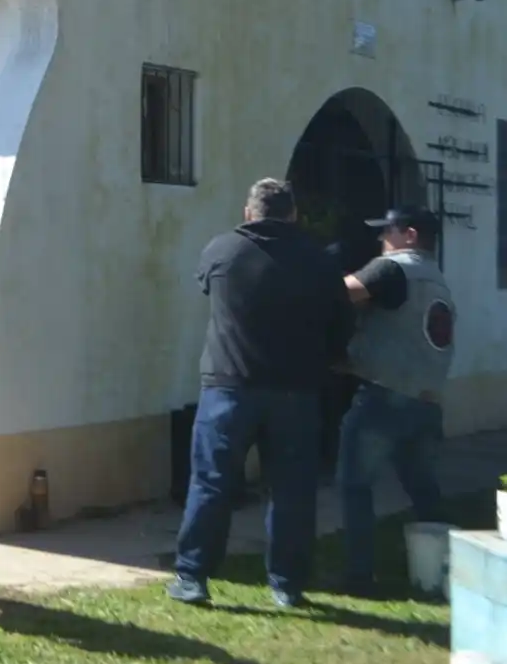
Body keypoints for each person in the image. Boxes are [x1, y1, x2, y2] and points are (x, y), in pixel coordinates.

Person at [168, 178, 356, 609]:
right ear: (293, 214)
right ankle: (287, 585)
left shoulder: (222, 250)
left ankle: (193, 577)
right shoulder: (320, 260)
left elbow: (208, 289)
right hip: (297, 390)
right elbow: (342, 324)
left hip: (229, 385)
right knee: (292, 489)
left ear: (248, 212)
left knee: (213, 483)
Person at [336, 208, 455, 596]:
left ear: (410, 235)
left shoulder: (394, 269)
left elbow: (340, 293)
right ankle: (445, 568)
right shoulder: (438, 281)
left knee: (355, 485)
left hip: (385, 397)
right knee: (423, 489)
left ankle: (358, 575)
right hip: (427, 401)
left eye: (387, 232)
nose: (380, 240)